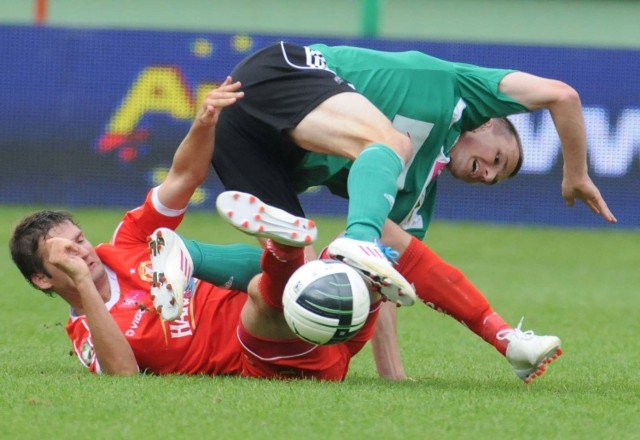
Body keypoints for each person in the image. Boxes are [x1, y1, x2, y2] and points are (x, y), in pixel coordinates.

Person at [210, 42, 615, 382]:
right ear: (486, 124)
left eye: (497, 177)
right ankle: (358, 238)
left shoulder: (412, 195)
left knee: (299, 274)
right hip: (283, 72)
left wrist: (393, 376)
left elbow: (384, 282)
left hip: (243, 138)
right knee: (391, 145)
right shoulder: (461, 90)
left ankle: (185, 260)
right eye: (497, 159)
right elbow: (562, 95)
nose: (489, 175)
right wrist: (575, 174)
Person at [9, 80, 382, 379]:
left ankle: (335, 262)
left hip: (330, 322)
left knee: (363, 250)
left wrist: (203, 124)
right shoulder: (86, 334)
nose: (83, 252)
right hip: (279, 354)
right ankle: (288, 250)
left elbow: (183, 176)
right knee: (260, 292)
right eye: (67, 252)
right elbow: (123, 373)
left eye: (79, 240)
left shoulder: (127, 242)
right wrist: (85, 285)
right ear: (42, 278)